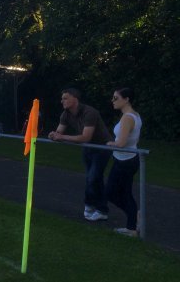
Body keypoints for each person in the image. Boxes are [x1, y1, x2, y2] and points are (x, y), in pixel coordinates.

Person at [48, 88, 112, 221]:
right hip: (88, 148)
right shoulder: (65, 114)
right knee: (95, 178)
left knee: (93, 177)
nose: (62, 101)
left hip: (101, 147)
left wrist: (62, 137)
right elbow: (59, 132)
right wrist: (53, 135)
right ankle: (101, 209)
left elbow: (85, 137)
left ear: (75, 99)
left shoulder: (90, 112)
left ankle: (89, 205)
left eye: (65, 98)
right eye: (62, 98)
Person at [105, 88, 143, 237]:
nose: (113, 101)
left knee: (111, 192)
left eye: (116, 98)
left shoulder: (128, 117)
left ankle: (133, 221)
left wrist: (109, 143)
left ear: (126, 99)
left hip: (125, 161)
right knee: (125, 193)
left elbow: (121, 143)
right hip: (126, 159)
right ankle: (132, 224)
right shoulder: (134, 115)